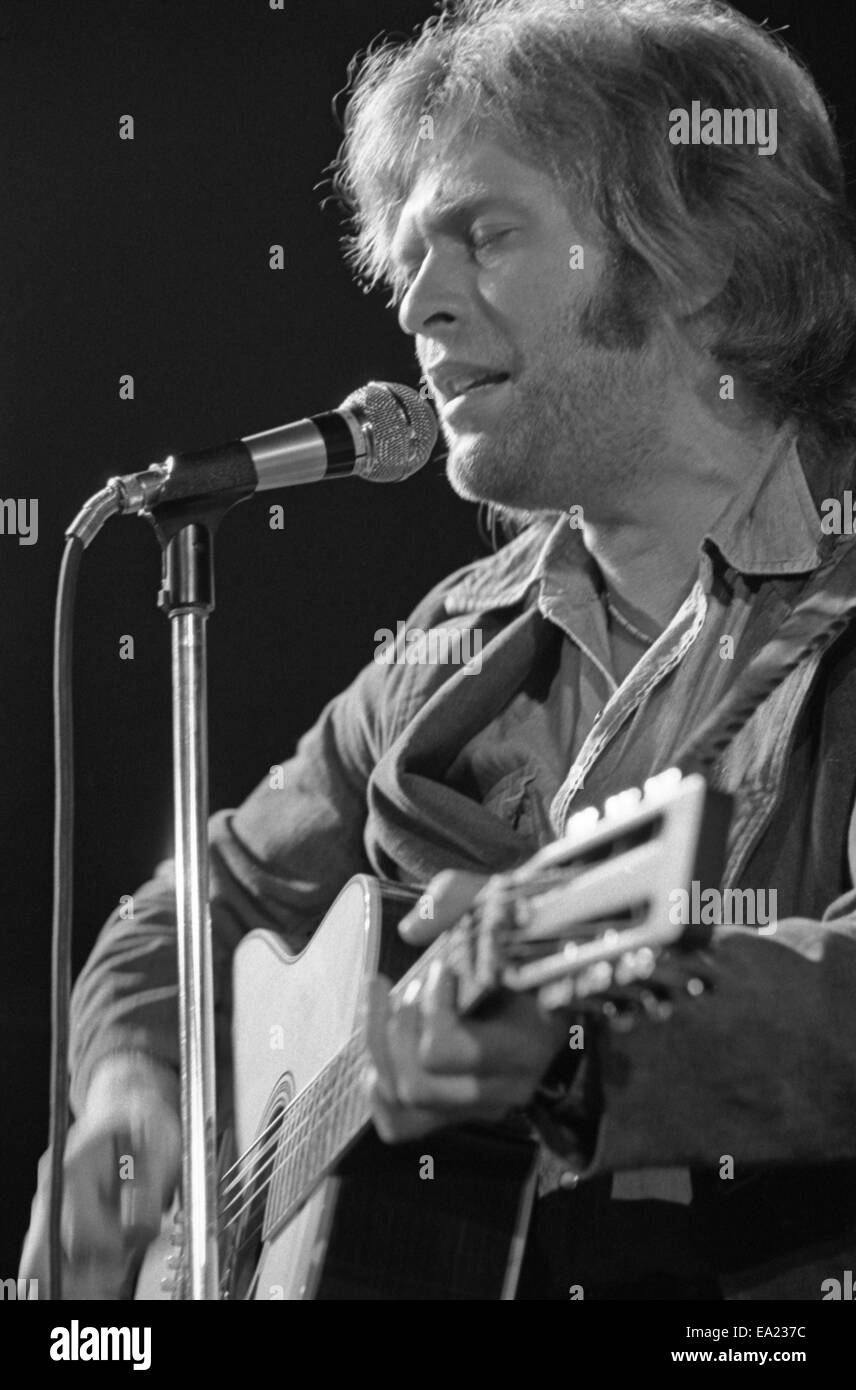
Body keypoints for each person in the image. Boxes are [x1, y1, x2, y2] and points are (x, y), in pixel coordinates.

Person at [21, 0, 856, 1300]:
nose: (417, 301)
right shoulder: (448, 644)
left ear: (691, 252)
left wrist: (580, 1045)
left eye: (484, 233)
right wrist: (131, 1096)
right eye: (407, 258)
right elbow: (180, 907)